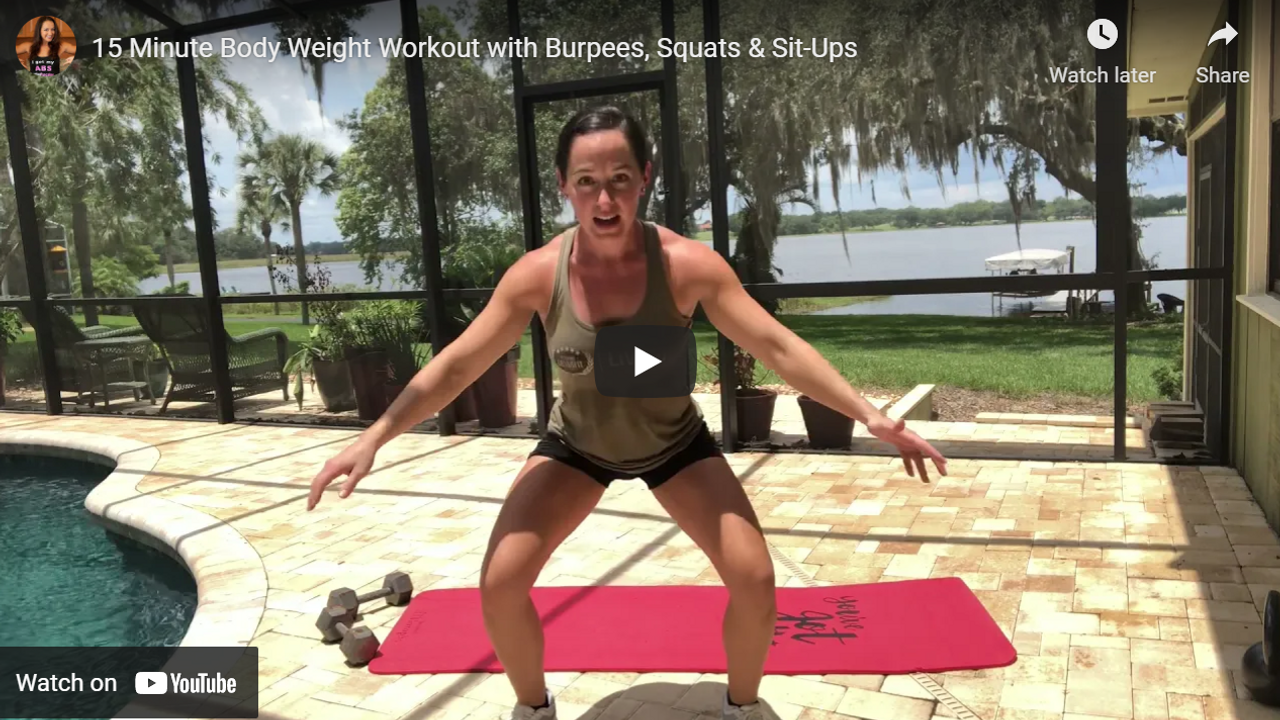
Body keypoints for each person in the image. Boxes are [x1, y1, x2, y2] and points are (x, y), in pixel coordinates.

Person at [307, 106, 948, 720]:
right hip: (577, 448)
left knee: (754, 579)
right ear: (564, 186)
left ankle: (742, 706)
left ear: (645, 178)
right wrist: (376, 436)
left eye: (619, 179)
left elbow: (777, 346)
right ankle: (533, 708)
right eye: (586, 182)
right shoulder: (537, 274)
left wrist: (871, 416)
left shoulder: (687, 265)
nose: (604, 199)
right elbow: (456, 365)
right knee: (500, 584)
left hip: (675, 445)